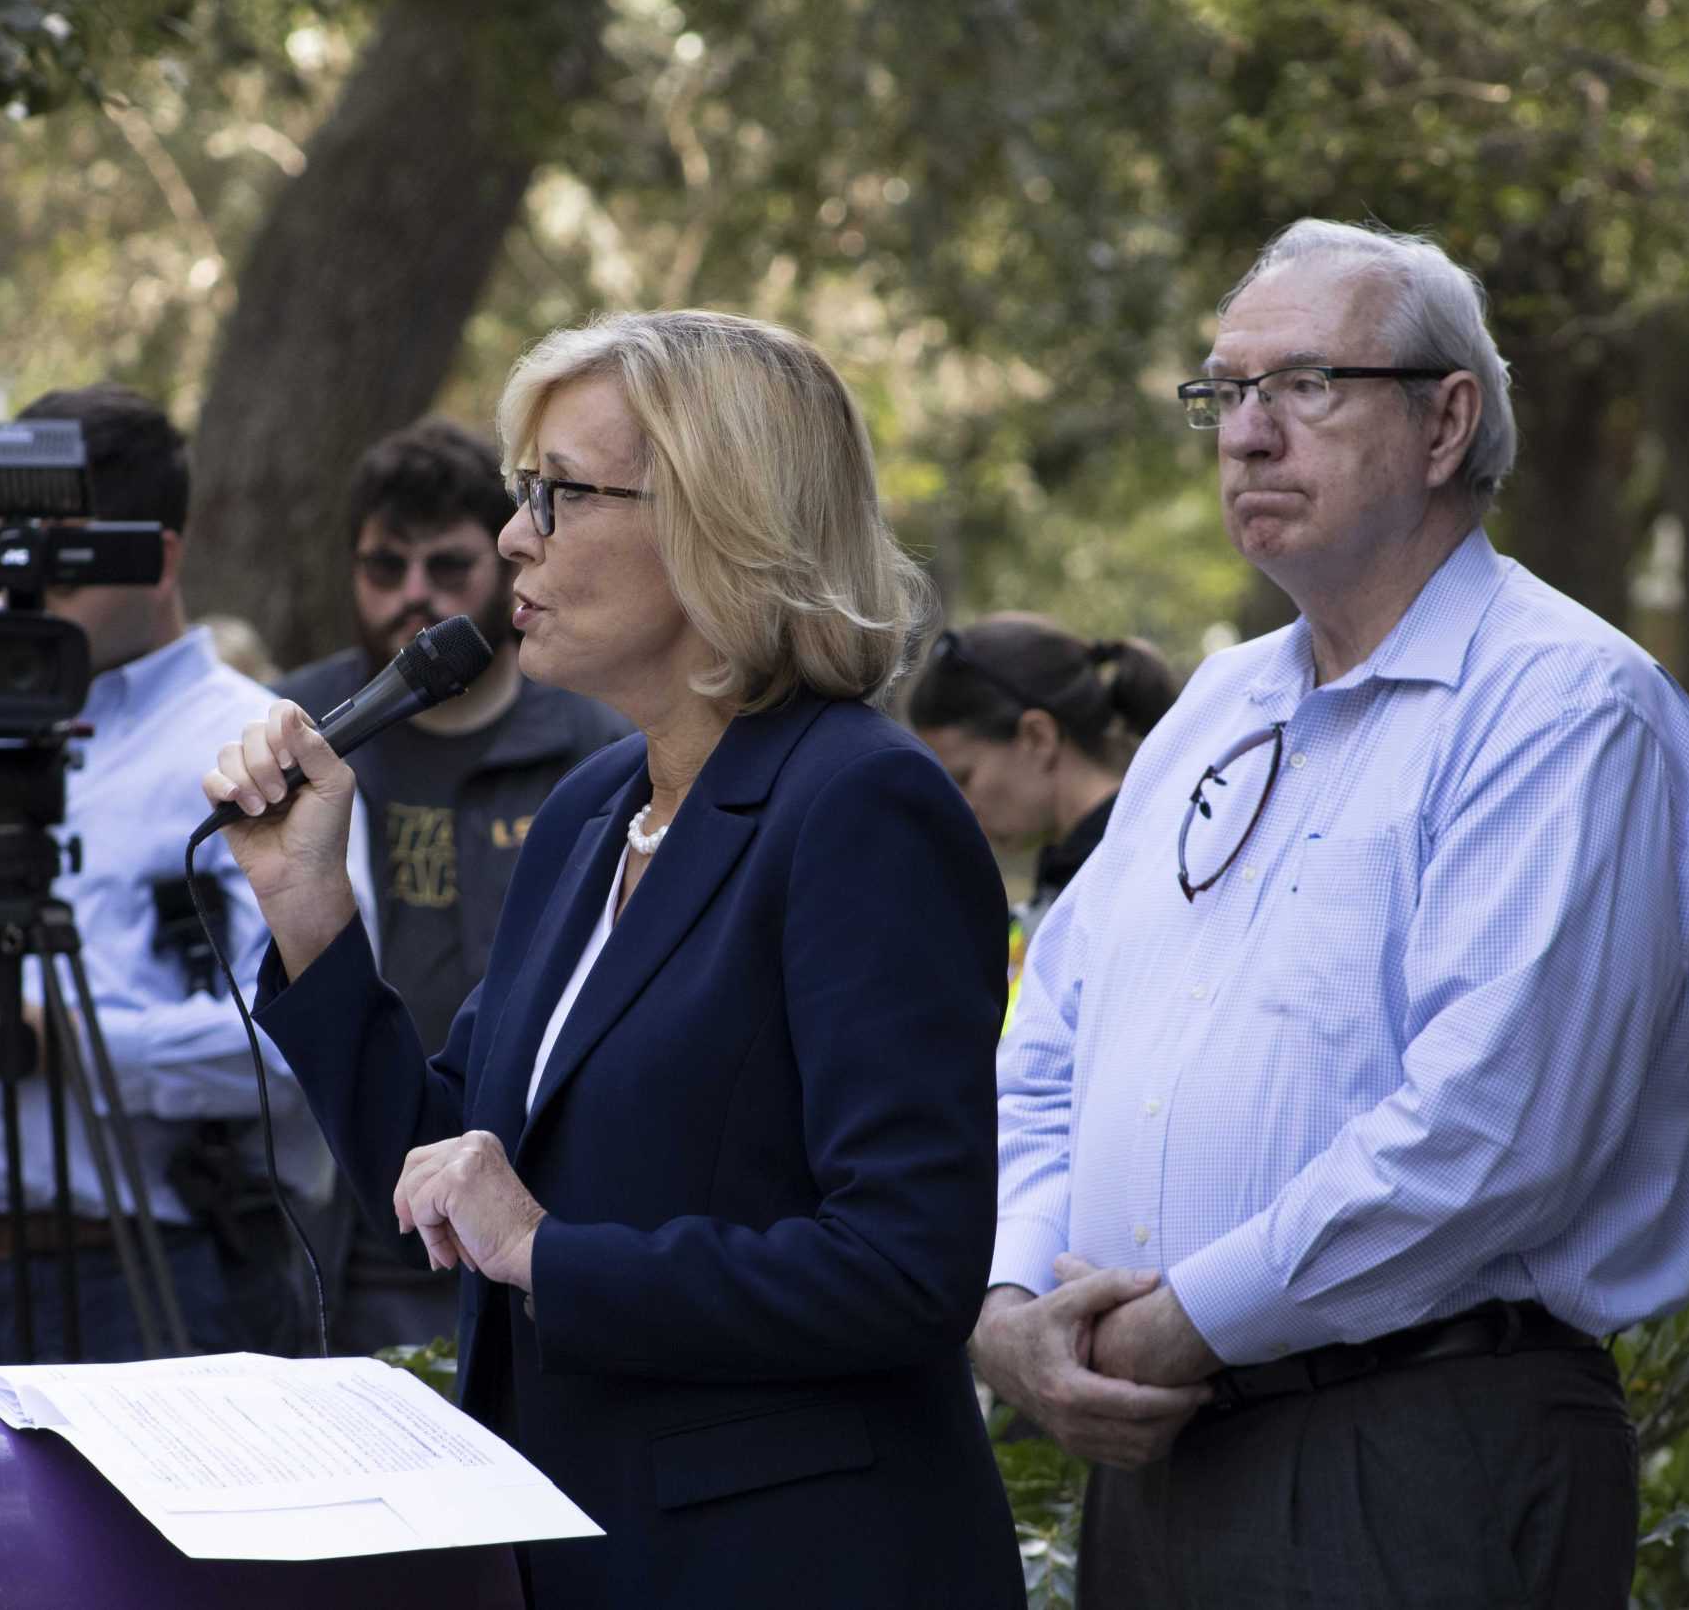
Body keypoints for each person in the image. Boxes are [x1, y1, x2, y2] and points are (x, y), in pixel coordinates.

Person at [206, 310, 1024, 1609]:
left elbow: (905, 1269)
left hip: (794, 1566)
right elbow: (443, 1174)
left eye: (558, 496)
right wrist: (309, 909)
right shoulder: (595, 810)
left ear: (721, 522)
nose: (515, 539)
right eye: (519, 495)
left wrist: (550, 1251)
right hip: (576, 1550)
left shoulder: (862, 806)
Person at [970, 220, 1689, 1609]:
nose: (1246, 436)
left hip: (1418, 1438)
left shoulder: (1565, 706)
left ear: (1448, 420)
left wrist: (1184, 1321)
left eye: (1305, 385)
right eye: (1223, 392)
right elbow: (1049, 1049)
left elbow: (1491, 1130)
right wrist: (1013, 1306)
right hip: (1154, 1445)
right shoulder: (1214, 706)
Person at [0, 382, 374, 1369]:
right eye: (5, 545)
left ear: (156, 555)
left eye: (63, 548)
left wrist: (55, 1043)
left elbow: (298, 1054)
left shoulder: (258, 749)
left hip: (161, 1275)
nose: (25, 580)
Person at [275, 417, 628, 1353]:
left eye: (446, 565)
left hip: (532, 1195)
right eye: (384, 567)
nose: (413, 595)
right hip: (342, 1193)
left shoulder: (595, 746)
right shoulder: (303, 730)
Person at [904, 617, 1178, 1035]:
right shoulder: (1081, 871)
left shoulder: (1143, 876)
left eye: (963, 777)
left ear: (1037, 736)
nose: (958, 805)